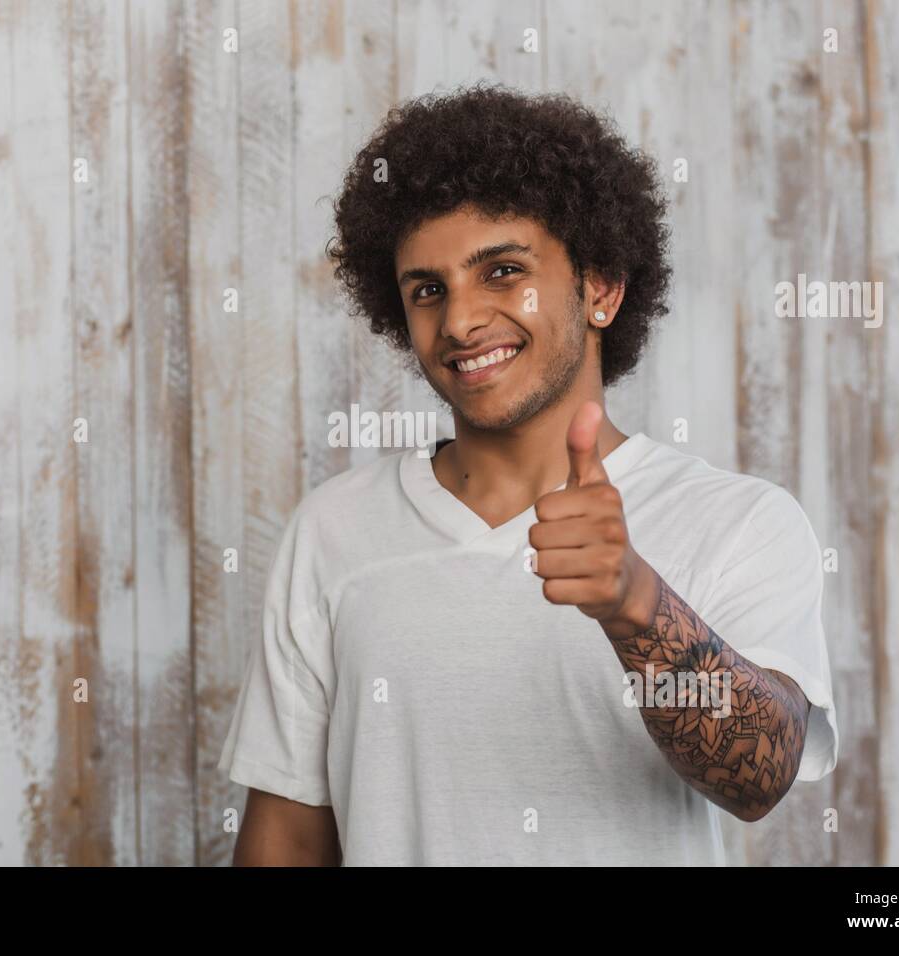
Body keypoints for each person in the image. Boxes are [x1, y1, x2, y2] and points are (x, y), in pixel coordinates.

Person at [218, 83, 838, 865]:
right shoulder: (333, 531)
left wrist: (636, 605)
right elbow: (286, 841)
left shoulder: (738, 521)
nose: (462, 321)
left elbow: (762, 776)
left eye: (504, 272)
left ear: (601, 288)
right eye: (429, 290)